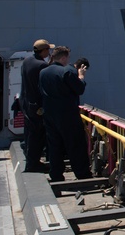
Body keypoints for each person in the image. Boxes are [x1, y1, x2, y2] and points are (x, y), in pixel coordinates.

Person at [39, 45, 91, 182]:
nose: (68, 60)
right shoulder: (66, 72)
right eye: (67, 57)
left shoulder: (43, 72)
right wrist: (81, 76)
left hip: (50, 115)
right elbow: (79, 89)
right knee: (75, 145)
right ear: (63, 57)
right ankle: (82, 174)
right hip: (67, 115)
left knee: (54, 146)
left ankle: (56, 175)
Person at [20, 39, 53, 172]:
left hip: (26, 103)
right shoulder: (42, 66)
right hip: (37, 106)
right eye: (48, 50)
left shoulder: (27, 61)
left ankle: (30, 159)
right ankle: (33, 164)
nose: (49, 52)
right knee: (37, 135)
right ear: (44, 51)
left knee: (29, 133)